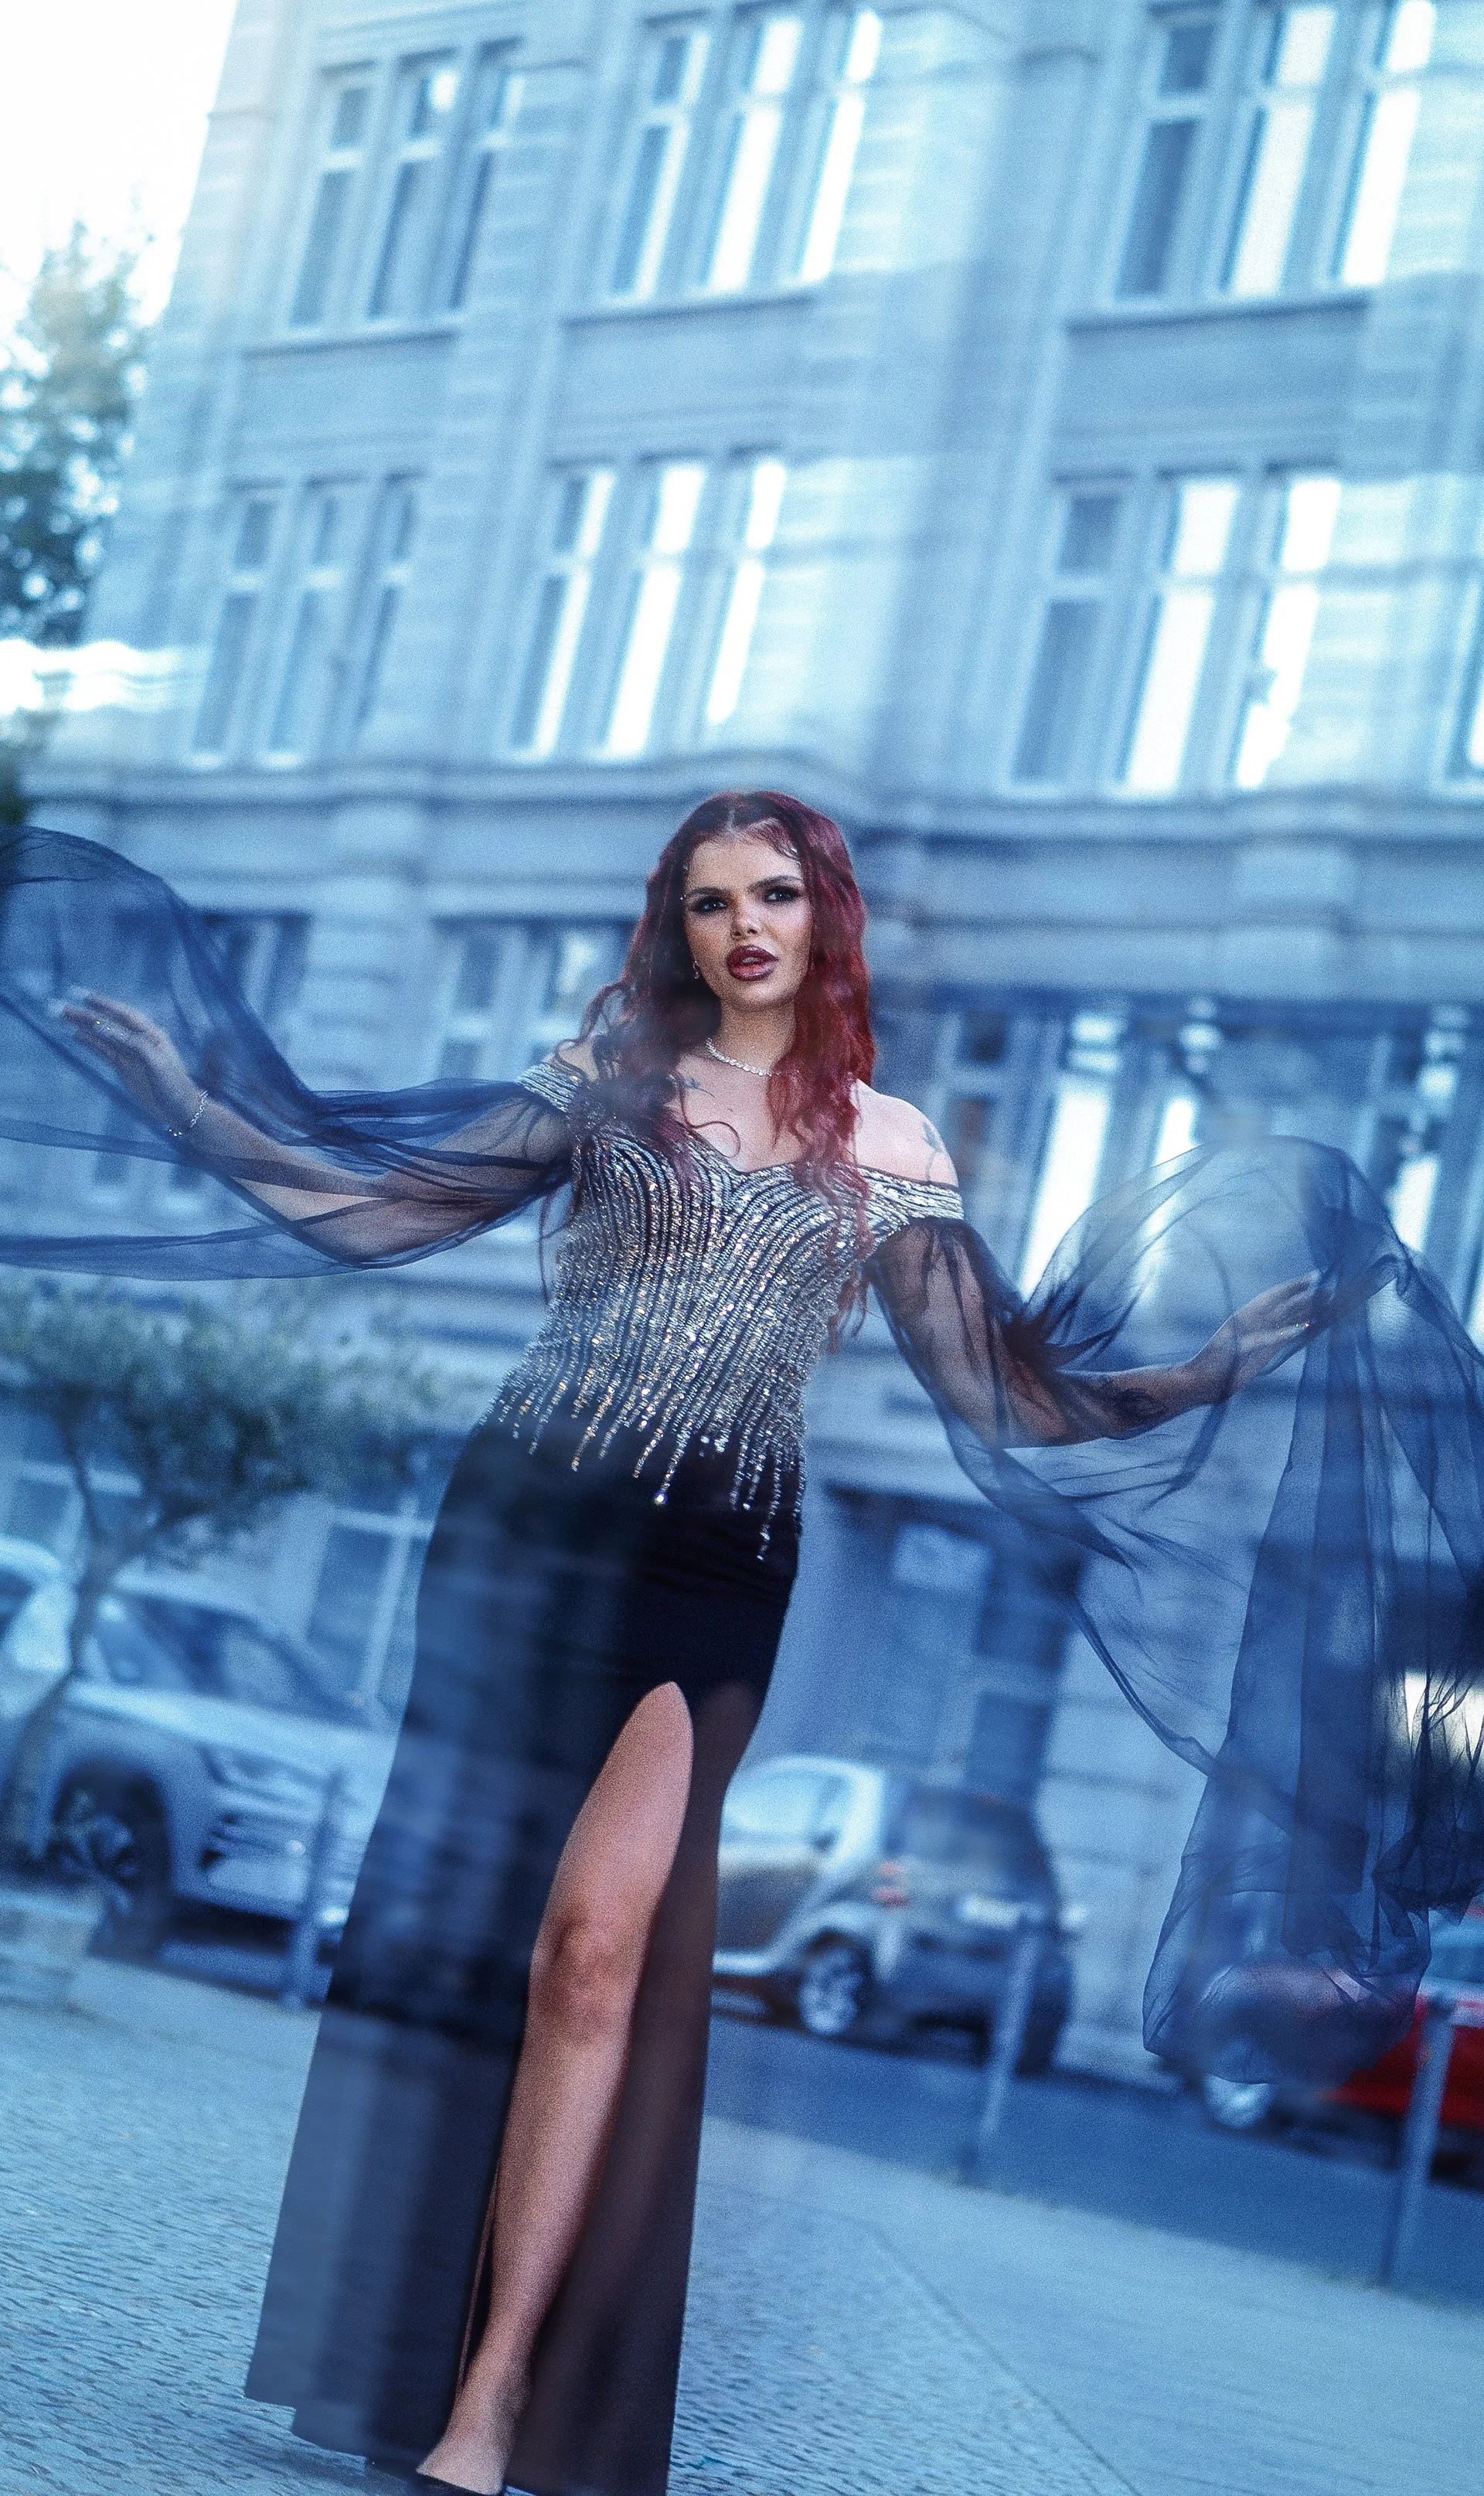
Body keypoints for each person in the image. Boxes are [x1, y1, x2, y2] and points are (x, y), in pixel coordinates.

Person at [0, 789, 1479, 2495]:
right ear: (680, 926)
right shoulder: (604, 1084)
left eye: (774, 893)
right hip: (525, 1537)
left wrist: (1213, 1364)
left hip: (715, 1567)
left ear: (824, 916)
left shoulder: (895, 1148)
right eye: (710, 902)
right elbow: (375, 1213)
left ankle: (491, 2406)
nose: (744, 927)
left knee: (596, 1956)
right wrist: (186, 1103)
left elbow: (1009, 1392)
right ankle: (407, 2354)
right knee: (480, 1940)